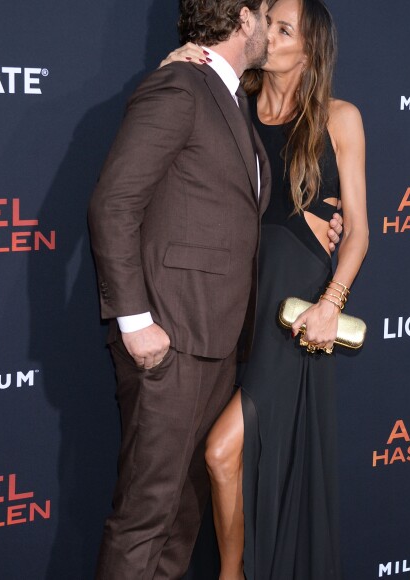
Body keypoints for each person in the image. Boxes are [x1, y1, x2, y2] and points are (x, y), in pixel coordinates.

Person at [161, 0, 369, 578]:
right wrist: (175, 61)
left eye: (283, 29)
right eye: (266, 22)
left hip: (291, 307)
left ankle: (234, 573)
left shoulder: (338, 117)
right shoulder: (232, 104)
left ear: (311, 49)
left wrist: (332, 304)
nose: (267, 35)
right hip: (230, 298)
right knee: (229, 454)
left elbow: (358, 232)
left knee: (221, 452)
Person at [87, 1, 273, 578]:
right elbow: (112, 204)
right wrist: (134, 321)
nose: (270, 28)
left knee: (181, 521)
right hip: (171, 340)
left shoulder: (228, 96)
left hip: (217, 340)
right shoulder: (180, 87)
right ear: (245, 18)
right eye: (268, 14)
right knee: (147, 518)